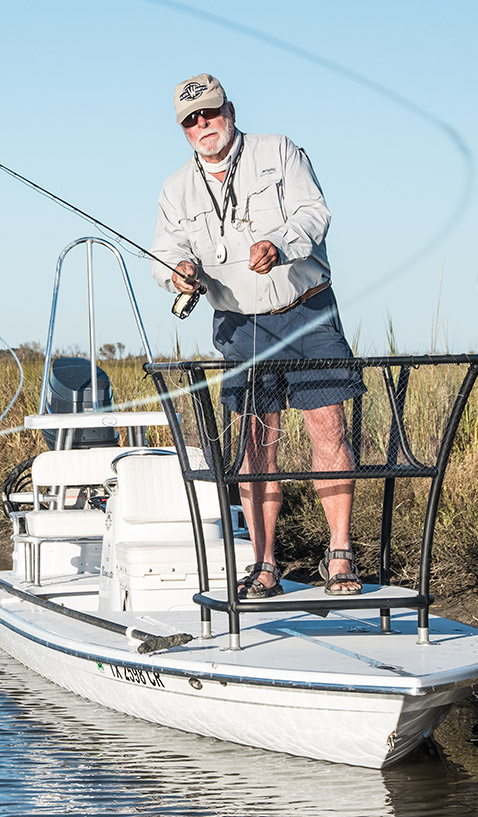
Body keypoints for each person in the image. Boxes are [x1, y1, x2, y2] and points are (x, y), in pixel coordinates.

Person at [149, 73, 367, 598]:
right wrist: (177, 271)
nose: (204, 124)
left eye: (211, 112)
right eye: (191, 119)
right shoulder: (175, 187)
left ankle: (340, 554)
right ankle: (264, 565)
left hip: (305, 310)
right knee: (254, 445)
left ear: (229, 110)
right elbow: (163, 250)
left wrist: (279, 242)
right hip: (238, 325)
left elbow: (315, 214)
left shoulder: (279, 151)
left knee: (329, 431)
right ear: (182, 130)